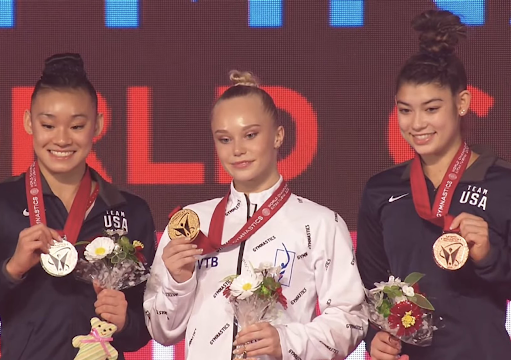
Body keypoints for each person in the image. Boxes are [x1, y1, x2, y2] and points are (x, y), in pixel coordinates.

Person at [356, 10, 511, 360]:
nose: (417, 124)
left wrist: (490, 258)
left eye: (431, 108)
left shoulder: (509, 184)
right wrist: (373, 337)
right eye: (405, 110)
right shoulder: (381, 190)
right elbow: (367, 292)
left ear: (462, 103)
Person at [143, 71, 368, 359]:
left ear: (278, 136)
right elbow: (162, 331)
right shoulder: (190, 223)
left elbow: (351, 319)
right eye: (224, 139)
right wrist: (179, 281)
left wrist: (287, 341)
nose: (237, 150)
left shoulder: (321, 223)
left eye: (250, 135)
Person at [0, 53, 155, 359]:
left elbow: (143, 332)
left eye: (76, 126)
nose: (61, 139)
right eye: (48, 124)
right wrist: (12, 269)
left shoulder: (130, 211)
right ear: (29, 122)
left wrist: (125, 323)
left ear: (97, 124)